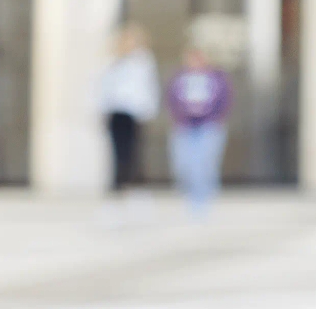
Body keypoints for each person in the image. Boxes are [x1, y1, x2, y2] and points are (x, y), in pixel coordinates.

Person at [166, 46, 233, 216]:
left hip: (209, 126)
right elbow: (171, 100)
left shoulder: (217, 78)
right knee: (184, 163)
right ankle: (190, 197)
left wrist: (215, 118)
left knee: (206, 164)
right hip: (185, 126)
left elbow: (225, 100)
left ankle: (204, 201)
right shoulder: (179, 78)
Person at [98, 25, 159, 193]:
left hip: (134, 109)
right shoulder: (112, 60)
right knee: (117, 146)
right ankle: (118, 179)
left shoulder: (143, 60)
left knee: (134, 145)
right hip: (116, 109)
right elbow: (103, 87)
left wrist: (149, 109)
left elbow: (148, 86)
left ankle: (133, 178)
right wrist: (101, 108)